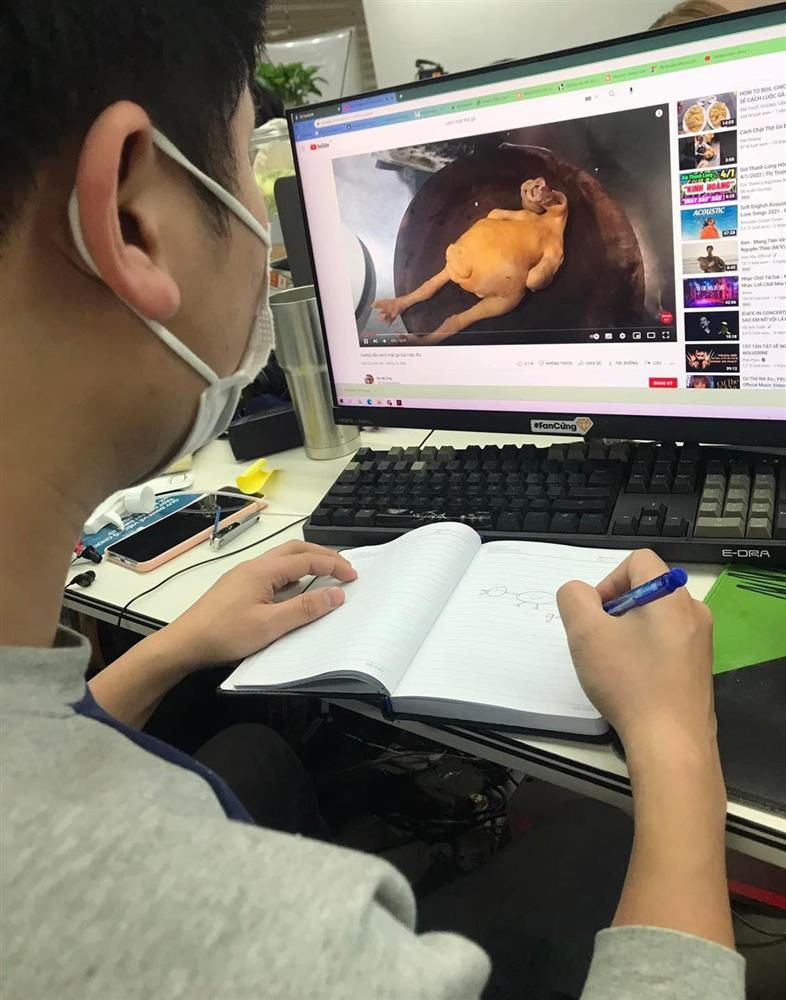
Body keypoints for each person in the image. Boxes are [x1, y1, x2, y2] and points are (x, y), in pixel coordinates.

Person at [1, 3, 744, 999]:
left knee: (258, 747)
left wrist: (172, 649)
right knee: (594, 834)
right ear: (134, 218)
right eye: (245, 168)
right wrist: (679, 746)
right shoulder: (269, 950)